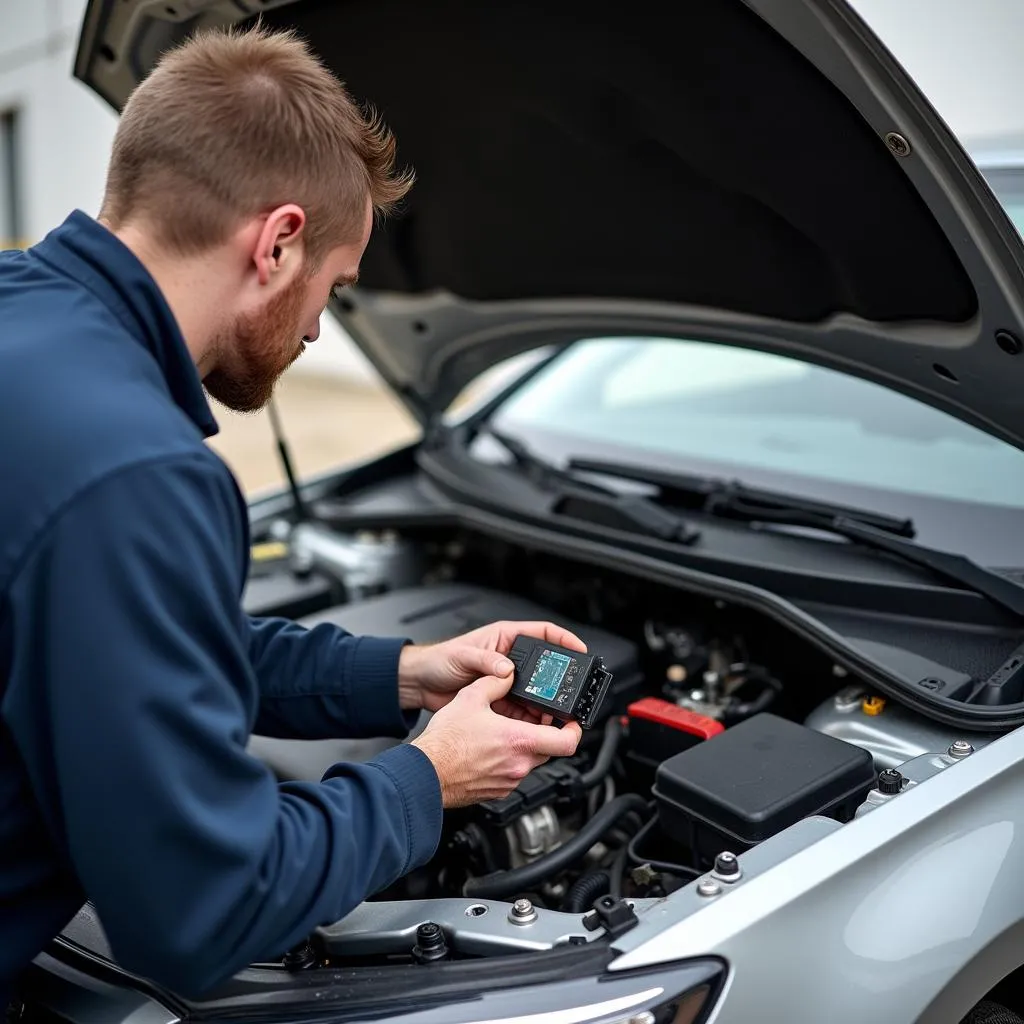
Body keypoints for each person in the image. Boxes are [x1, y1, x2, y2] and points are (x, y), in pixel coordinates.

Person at [0, 25, 584, 1005]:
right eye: (333, 287)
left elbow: (130, 646)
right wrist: (428, 778)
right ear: (276, 244)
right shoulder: (137, 472)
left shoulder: (22, 315)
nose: (318, 326)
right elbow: (202, 911)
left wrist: (403, 674)